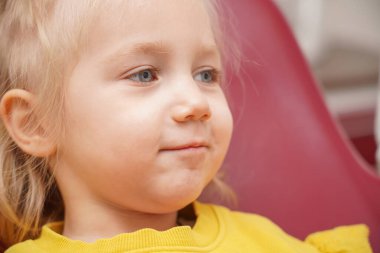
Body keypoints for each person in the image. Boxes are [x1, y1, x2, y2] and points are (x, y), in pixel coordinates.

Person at [0, 0, 372, 252]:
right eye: (144, 74)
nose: (196, 103)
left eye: (206, 74)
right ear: (37, 123)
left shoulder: (266, 243)